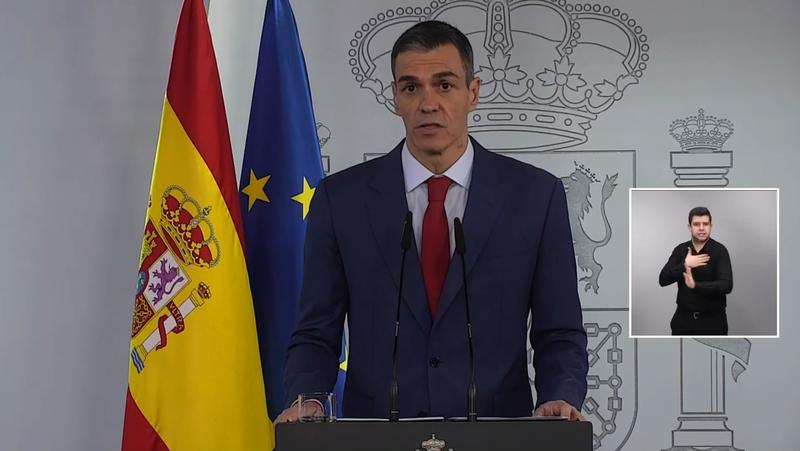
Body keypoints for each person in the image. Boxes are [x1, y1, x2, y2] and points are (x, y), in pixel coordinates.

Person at [276, 20, 588, 422]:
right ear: (395, 98)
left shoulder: (535, 196)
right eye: (411, 87)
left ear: (472, 93)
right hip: (376, 435)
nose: (428, 103)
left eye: (444, 85)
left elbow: (559, 331)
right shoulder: (341, 201)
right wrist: (309, 399)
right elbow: (316, 332)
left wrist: (559, 397)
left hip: (498, 434)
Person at [659, 206, 733, 335]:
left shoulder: (720, 251)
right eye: (696, 224)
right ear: (690, 227)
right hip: (682, 321)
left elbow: (726, 285)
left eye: (705, 224)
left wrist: (695, 286)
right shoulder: (680, 250)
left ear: (711, 226)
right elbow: (663, 280)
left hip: (713, 322)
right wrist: (685, 264)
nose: (701, 228)